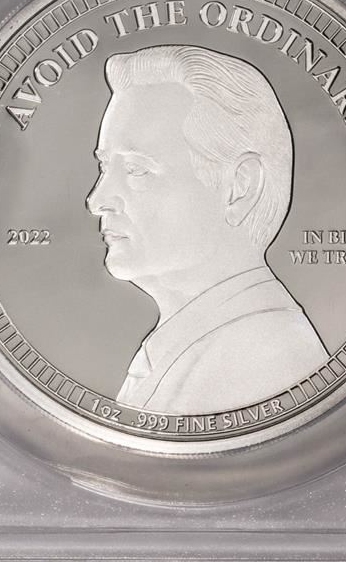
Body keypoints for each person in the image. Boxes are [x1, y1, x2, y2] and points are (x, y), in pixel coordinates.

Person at [86, 44, 329, 414]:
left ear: (239, 188)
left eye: (136, 170)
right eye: (105, 168)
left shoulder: (269, 355)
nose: (96, 200)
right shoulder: (196, 344)